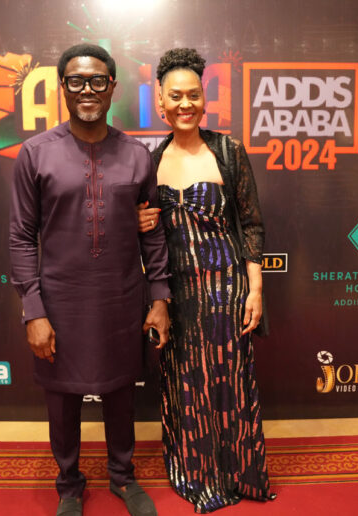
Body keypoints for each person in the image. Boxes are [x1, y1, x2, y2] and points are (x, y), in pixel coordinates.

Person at [9, 43, 170, 516]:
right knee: (62, 400)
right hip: (59, 301)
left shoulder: (137, 155)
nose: (87, 90)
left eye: (97, 80)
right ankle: (69, 486)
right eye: (76, 81)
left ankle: (123, 476)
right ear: (62, 87)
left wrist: (159, 296)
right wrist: (33, 310)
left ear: (112, 87)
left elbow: (152, 230)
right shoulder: (35, 154)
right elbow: (21, 237)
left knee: (121, 392)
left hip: (121, 297)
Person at [137, 48, 275, 513]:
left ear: (204, 98)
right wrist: (139, 222)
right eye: (175, 95)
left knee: (229, 383)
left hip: (226, 290)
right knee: (186, 385)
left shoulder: (228, 151)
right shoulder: (149, 161)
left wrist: (255, 289)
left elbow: (251, 225)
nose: (185, 104)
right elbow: (144, 233)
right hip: (177, 295)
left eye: (193, 95)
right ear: (160, 100)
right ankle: (197, 473)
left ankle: (239, 473)